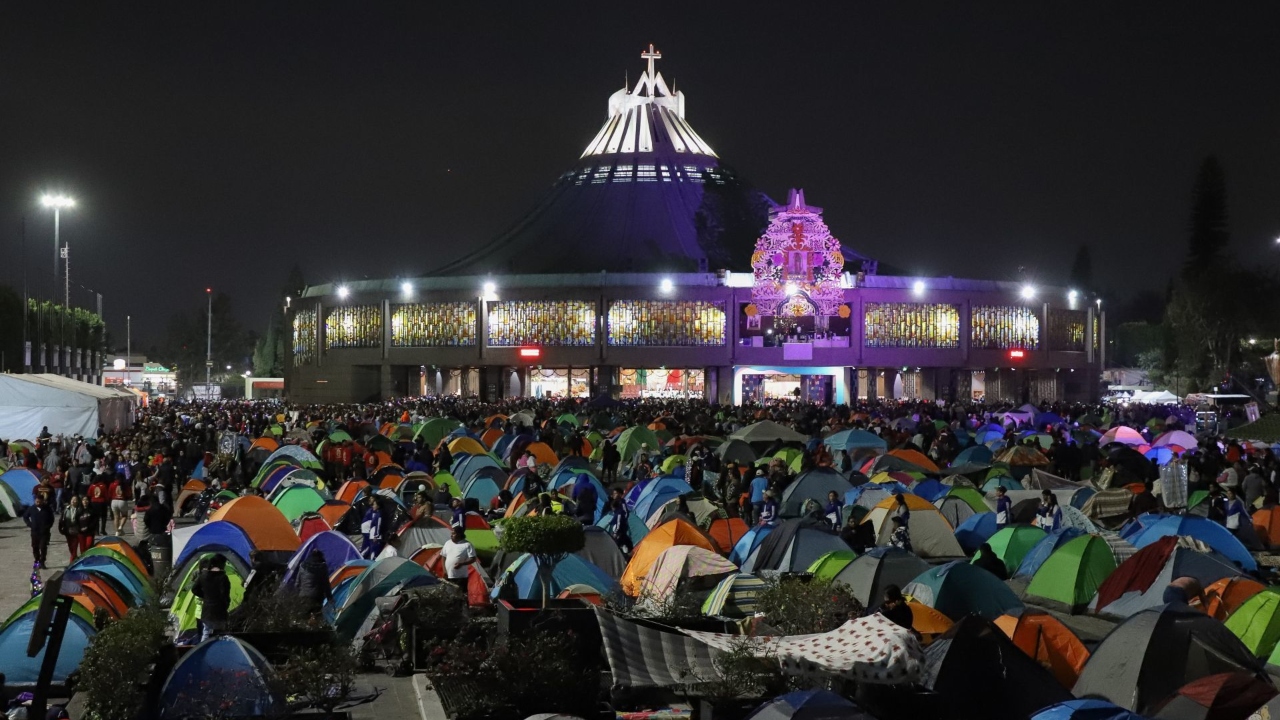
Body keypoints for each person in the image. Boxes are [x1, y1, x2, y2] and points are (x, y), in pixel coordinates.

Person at [192, 555, 231, 641]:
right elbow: (225, 595)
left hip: (207, 610)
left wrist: (205, 596)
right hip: (219, 610)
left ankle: (203, 651)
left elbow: (194, 589)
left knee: (206, 633)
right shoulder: (223, 578)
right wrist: (226, 605)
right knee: (221, 635)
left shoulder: (203, 576)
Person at [296, 549, 333, 615]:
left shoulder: (302, 566)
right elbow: (326, 584)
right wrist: (330, 598)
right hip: (317, 597)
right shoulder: (323, 567)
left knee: (304, 617)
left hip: (303, 596)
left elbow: (297, 583)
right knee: (316, 617)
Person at [441, 527, 477, 591]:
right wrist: (444, 570)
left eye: (454, 534)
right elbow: (443, 556)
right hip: (449, 575)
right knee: (449, 594)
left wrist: (462, 564)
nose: (451, 535)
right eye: (451, 533)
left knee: (461, 594)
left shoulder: (467, 544)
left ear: (459, 534)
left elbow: (473, 558)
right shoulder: (447, 543)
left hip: (461, 576)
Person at [59, 495, 84, 561]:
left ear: (78, 501)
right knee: (70, 546)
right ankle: (74, 557)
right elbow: (62, 519)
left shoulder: (80, 510)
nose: (73, 501)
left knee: (74, 546)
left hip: (76, 530)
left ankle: (72, 562)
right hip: (68, 530)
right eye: (72, 499)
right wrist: (60, 528)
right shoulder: (66, 509)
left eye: (75, 499)